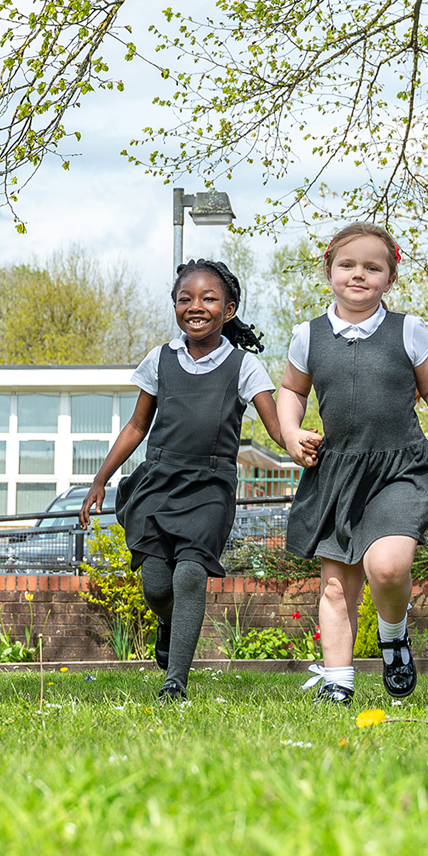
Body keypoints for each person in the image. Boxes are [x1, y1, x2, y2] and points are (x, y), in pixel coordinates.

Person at [278, 222, 428, 706]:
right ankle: (338, 682)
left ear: (390, 278)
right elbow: (291, 391)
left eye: (372, 267)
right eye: (347, 265)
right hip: (337, 471)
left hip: (398, 469)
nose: (358, 274)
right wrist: (290, 431)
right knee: (337, 587)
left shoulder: (407, 329)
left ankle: (394, 635)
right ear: (329, 272)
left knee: (387, 567)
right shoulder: (308, 335)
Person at [80, 259, 283, 702]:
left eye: (209, 298)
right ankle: (171, 624)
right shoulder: (160, 359)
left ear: (228, 310)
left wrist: (302, 444)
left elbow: (277, 428)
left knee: (190, 574)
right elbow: (136, 426)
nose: (196, 306)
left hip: (209, 486)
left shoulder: (244, 367)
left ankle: (175, 682)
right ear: (174, 305)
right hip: (158, 481)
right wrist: (100, 479)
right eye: (185, 298)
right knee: (156, 583)